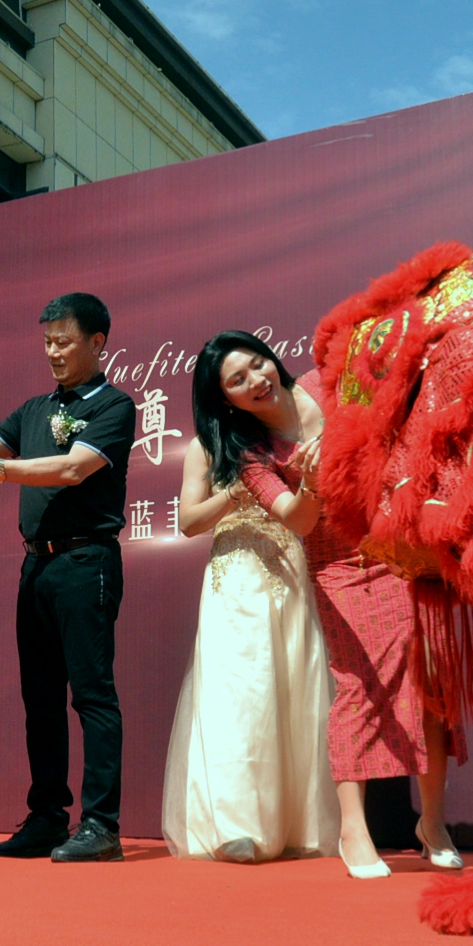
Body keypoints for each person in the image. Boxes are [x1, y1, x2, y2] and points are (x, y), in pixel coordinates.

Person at [0, 292, 136, 862]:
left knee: (92, 695)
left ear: (97, 343)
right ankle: (48, 816)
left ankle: (101, 825)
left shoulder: (114, 405)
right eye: (47, 340)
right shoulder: (31, 409)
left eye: (64, 341)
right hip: (36, 565)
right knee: (40, 698)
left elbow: (73, 467)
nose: (52, 351)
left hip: (85, 562)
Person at [161, 334, 340, 864]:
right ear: (223, 398)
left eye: (255, 367)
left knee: (298, 685)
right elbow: (187, 521)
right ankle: (238, 825)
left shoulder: (277, 436)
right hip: (236, 575)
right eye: (236, 381)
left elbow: (301, 511)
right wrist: (233, 496)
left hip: (290, 564)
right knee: (242, 693)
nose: (254, 382)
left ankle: (301, 823)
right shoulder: (210, 448)